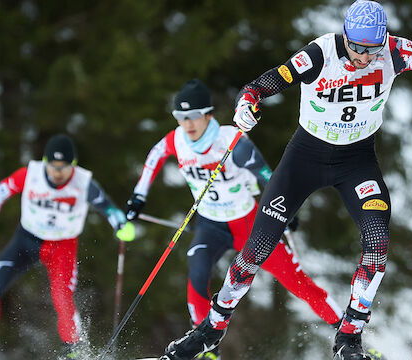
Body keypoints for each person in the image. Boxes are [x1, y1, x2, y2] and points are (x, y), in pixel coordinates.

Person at [162, 1, 412, 359]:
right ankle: (211, 329)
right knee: (255, 251)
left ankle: (349, 338)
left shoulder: (397, 50)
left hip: (357, 162)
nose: (363, 58)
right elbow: (264, 83)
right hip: (305, 159)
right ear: (345, 36)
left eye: (372, 49)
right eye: (356, 47)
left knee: (377, 244)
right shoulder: (321, 53)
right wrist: (247, 102)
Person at [126, 79, 344, 359]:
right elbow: (154, 156)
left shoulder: (232, 140)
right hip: (209, 224)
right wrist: (138, 196)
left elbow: (268, 176)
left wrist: (284, 210)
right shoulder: (176, 140)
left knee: (294, 280)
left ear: (208, 115)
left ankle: (346, 332)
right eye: (180, 118)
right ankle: (207, 349)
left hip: (248, 222)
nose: (187, 124)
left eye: (193, 117)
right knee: (197, 273)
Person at [0, 134, 135, 359]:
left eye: (64, 167)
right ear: (45, 162)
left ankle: (74, 349)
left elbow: (107, 207)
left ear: (73, 165)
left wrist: (120, 223)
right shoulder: (30, 174)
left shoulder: (83, 182)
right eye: (53, 166)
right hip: (26, 239)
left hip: (62, 245)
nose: (58, 173)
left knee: (62, 296)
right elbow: (3, 190)